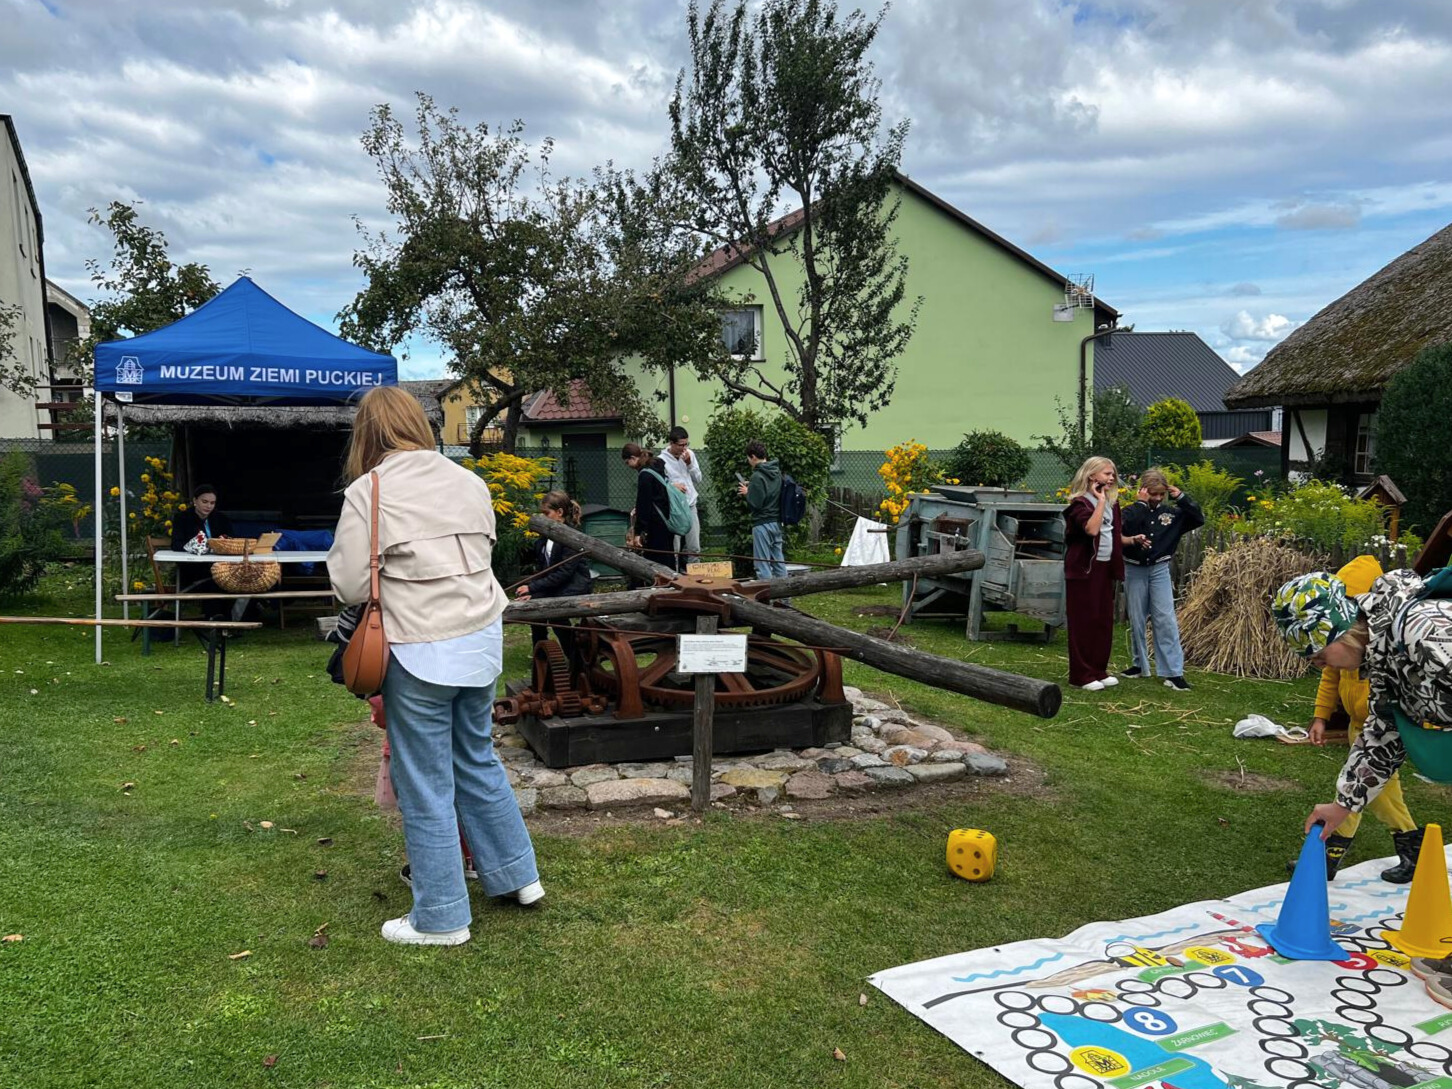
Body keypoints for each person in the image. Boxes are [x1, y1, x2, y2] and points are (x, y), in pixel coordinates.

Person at [328, 385, 541, 947]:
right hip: (481, 639)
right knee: (477, 759)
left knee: (423, 782)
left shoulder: (368, 490)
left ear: (366, 434)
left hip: (420, 645)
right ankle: (518, 875)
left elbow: (348, 585)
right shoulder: (469, 480)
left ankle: (442, 916)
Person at [1278, 557, 1422, 883]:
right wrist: (1321, 715)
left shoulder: (1413, 641)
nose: (1320, 665)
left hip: (1377, 729)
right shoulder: (1364, 657)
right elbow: (1381, 730)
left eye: (1320, 656)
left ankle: (1406, 845)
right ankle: (1336, 850)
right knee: (1362, 784)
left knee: (1379, 792)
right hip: (1363, 729)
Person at [1062, 457, 1144, 691]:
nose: (1112, 478)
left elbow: (1112, 535)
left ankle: (1098, 670)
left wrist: (1132, 540)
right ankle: (1081, 675)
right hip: (1083, 570)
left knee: (1102, 621)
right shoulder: (1079, 504)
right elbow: (1092, 529)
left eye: (1113, 474)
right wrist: (1099, 501)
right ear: (1092, 476)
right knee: (1083, 622)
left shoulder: (1112, 504)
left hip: (1105, 568)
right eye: (1107, 473)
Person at [1120, 468, 1203, 691]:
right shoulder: (1132, 511)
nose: (1157, 498)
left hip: (1159, 569)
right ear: (1143, 491)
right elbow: (1124, 527)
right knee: (1137, 618)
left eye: (1161, 494)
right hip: (1134, 569)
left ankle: (1173, 672)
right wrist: (1140, 504)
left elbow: (1198, 518)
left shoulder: (1172, 514)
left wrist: (1182, 498)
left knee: (1165, 619)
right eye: (1153, 494)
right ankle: (1139, 664)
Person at [514, 491, 591, 676]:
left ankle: (574, 657)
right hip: (557, 585)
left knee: (557, 616)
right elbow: (544, 570)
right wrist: (531, 591)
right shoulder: (544, 539)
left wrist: (533, 587)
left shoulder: (571, 537)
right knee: (534, 610)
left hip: (573, 585)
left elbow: (564, 573)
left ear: (560, 513)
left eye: (546, 513)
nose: (543, 517)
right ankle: (540, 655)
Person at [622, 442, 677, 571]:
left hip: (655, 524)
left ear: (633, 458)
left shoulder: (645, 475)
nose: (628, 466)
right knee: (668, 555)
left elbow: (644, 504)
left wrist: (638, 531)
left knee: (656, 561)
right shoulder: (657, 467)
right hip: (666, 519)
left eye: (627, 462)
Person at [738, 439, 786, 582]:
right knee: (778, 561)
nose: (749, 461)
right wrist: (753, 486)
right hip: (776, 521)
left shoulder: (757, 475)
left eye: (748, 458)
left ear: (753, 456)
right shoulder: (776, 472)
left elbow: (756, 503)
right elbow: (770, 490)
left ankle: (766, 592)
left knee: (762, 563)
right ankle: (785, 591)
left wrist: (748, 492)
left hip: (762, 523)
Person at [660, 426, 704, 572]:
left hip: (690, 505)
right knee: (675, 548)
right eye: (681, 445)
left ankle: (695, 577)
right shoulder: (661, 460)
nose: (684, 448)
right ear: (671, 443)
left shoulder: (689, 455)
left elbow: (698, 478)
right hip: (675, 508)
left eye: (686, 444)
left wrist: (689, 463)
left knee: (694, 547)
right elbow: (661, 484)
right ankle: (675, 576)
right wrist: (673, 486)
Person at [169, 483, 235, 550]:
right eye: (204, 502)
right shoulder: (182, 518)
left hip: (217, 556)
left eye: (212, 503)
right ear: (195, 500)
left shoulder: (222, 519)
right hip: (192, 556)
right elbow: (176, 544)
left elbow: (232, 541)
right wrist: (202, 546)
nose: (209, 506)